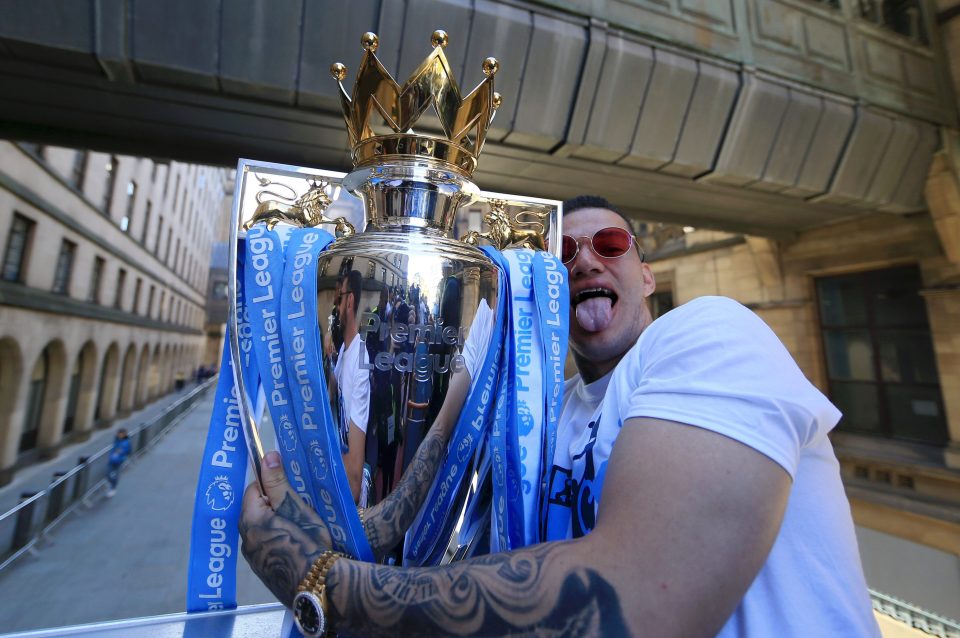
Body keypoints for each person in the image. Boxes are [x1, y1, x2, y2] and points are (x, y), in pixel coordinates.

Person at [240, 195, 879, 636]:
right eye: (561, 254)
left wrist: (320, 581)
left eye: (609, 243)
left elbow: (632, 607)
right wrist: (313, 524)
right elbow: (411, 511)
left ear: (648, 275)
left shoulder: (709, 335)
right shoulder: (545, 416)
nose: (583, 260)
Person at [333, 270, 371, 505]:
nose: (334, 307)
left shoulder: (360, 358)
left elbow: (354, 482)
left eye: (338, 299)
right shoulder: (343, 355)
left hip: (348, 505)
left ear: (350, 301)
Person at [105, 428, 131, 498]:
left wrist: (122, 452)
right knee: (108, 474)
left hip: (119, 461)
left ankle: (113, 488)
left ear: (124, 434)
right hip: (112, 460)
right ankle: (112, 483)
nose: (120, 435)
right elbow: (114, 448)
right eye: (119, 434)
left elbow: (128, 451)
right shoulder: (116, 440)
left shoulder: (127, 442)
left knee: (116, 475)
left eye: (122, 434)